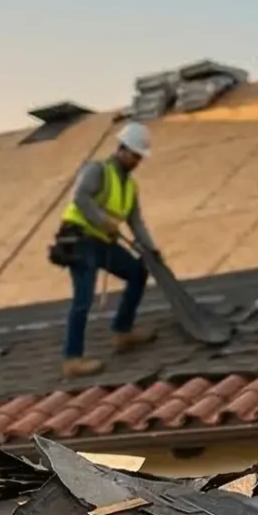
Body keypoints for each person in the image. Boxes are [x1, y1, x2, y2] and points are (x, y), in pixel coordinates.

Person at [57, 121, 162, 379]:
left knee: (138, 272)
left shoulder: (130, 186)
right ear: (122, 149)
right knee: (83, 298)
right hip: (80, 240)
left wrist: (150, 248)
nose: (137, 161)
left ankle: (122, 331)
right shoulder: (98, 170)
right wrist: (103, 221)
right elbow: (81, 198)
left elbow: (135, 221)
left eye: (140, 157)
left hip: (103, 242)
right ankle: (72, 359)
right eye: (134, 155)